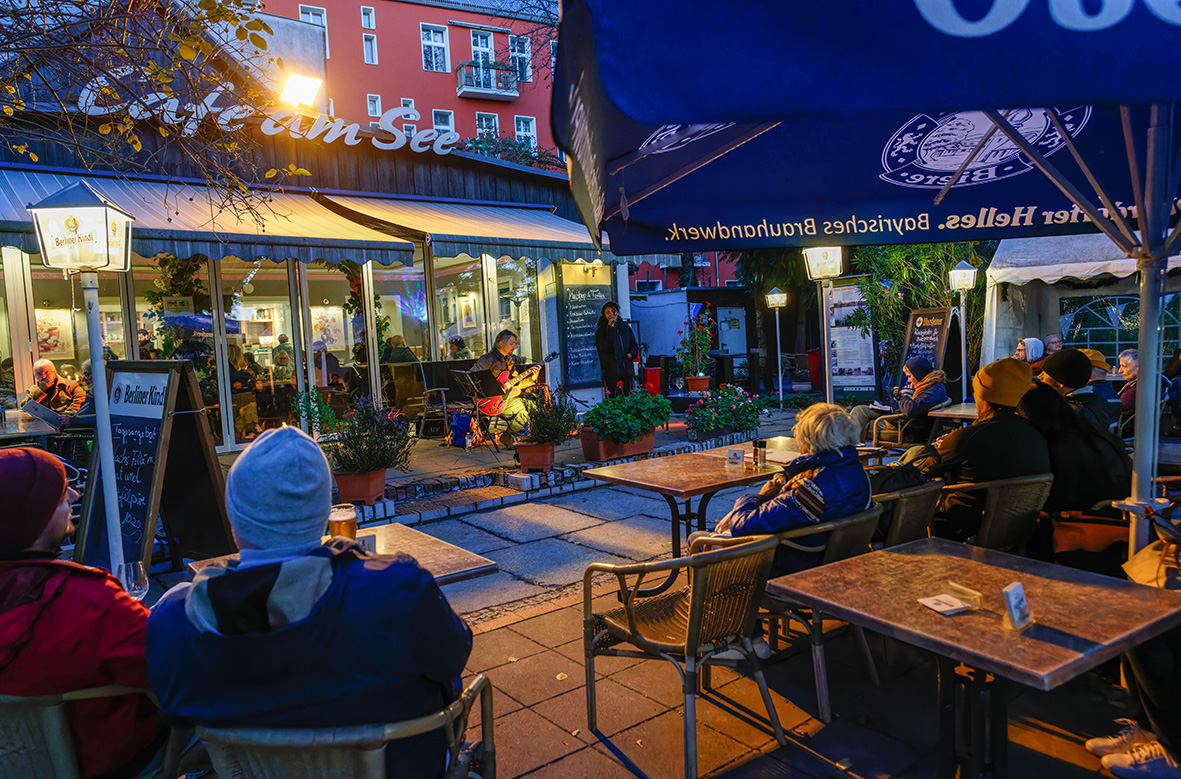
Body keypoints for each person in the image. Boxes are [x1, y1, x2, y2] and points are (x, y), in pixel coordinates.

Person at [146, 427, 472, 779]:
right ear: (323, 515)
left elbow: (174, 712)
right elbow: (453, 654)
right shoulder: (397, 592)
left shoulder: (175, 622)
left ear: (234, 519)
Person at [0, 447, 164, 778]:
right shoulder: (91, 602)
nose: (75, 496)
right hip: (114, 764)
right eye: (61, 494)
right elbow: (173, 671)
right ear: (35, 513)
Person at [714, 403, 872, 577]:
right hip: (833, 559)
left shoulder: (811, 492)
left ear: (810, 441)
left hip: (794, 565)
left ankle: (700, 600)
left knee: (699, 540)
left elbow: (744, 527)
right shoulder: (856, 471)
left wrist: (749, 500)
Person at [904, 358, 1051, 542]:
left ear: (983, 398)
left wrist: (947, 444)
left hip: (959, 524)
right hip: (1017, 527)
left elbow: (922, 473)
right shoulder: (1036, 434)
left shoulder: (968, 437)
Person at [1017, 381, 1131, 515]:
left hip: (1096, 517)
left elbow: (1065, 498)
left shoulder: (1061, 443)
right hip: (1122, 508)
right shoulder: (1082, 429)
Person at [849, 356, 948, 443]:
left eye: (909, 376)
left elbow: (910, 409)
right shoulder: (926, 385)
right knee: (859, 411)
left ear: (919, 374)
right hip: (899, 419)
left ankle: (853, 457)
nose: (908, 380)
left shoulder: (934, 390)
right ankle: (857, 455)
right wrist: (899, 397)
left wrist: (905, 395)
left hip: (906, 429)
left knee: (857, 426)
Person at [472, 329, 530, 447]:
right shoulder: (487, 359)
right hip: (488, 402)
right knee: (527, 405)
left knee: (529, 404)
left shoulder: (509, 361)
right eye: (511, 344)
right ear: (500, 344)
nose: (514, 347)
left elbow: (514, 386)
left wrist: (531, 379)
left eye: (515, 344)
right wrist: (494, 386)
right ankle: (509, 436)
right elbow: (473, 376)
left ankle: (508, 436)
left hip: (502, 401)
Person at [1040, 349, 1117, 431]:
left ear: (1061, 381)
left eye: (1045, 374)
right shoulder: (1096, 402)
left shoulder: (1068, 414)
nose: (1039, 377)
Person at [595, 301, 638, 397]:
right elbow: (604, 347)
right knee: (613, 398)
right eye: (608, 312)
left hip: (626, 369)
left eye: (613, 312)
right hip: (611, 371)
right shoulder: (601, 330)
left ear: (618, 312)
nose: (611, 315)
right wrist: (610, 328)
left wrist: (632, 353)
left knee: (625, 397)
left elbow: (634, 345)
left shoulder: (625, 328)